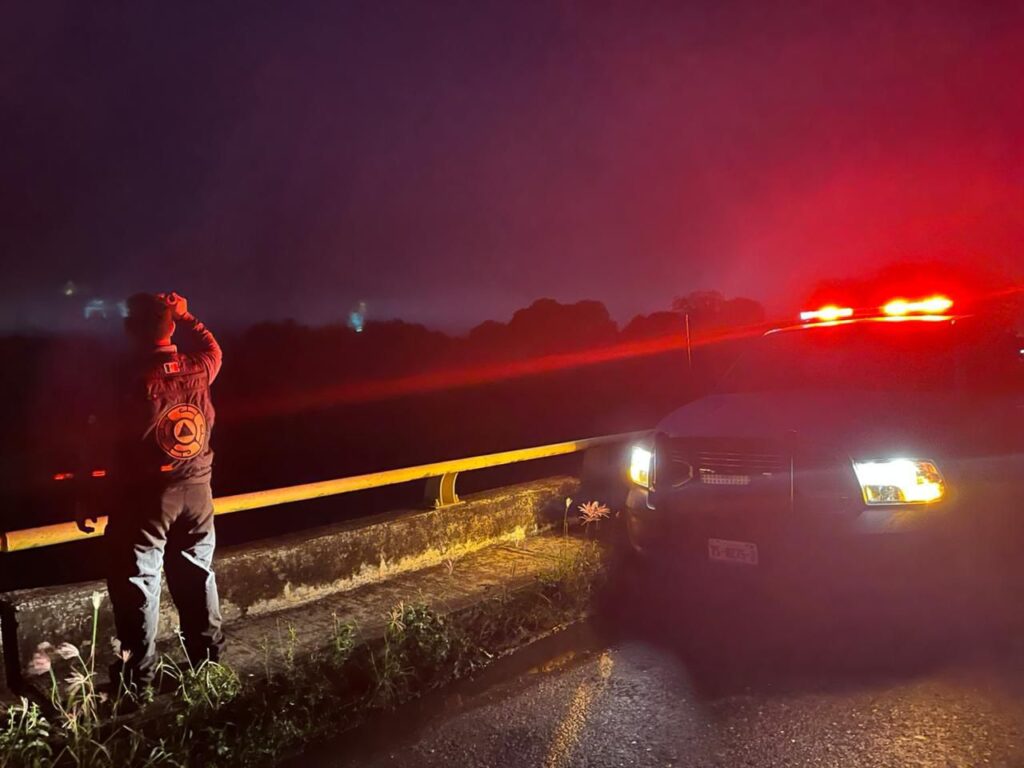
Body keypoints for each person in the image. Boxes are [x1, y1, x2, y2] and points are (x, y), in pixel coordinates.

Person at [99, 291, 225, 689]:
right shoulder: (199, 368)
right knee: (198, 574)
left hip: (148, 495)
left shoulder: (127, 378)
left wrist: (91, 493)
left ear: (131, 329)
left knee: (140, 581)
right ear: (170, 326)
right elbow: (213, 348)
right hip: (198, 488)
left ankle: (138, 682)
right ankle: (209, 668)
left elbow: (105, 440)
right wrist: (187, 316)